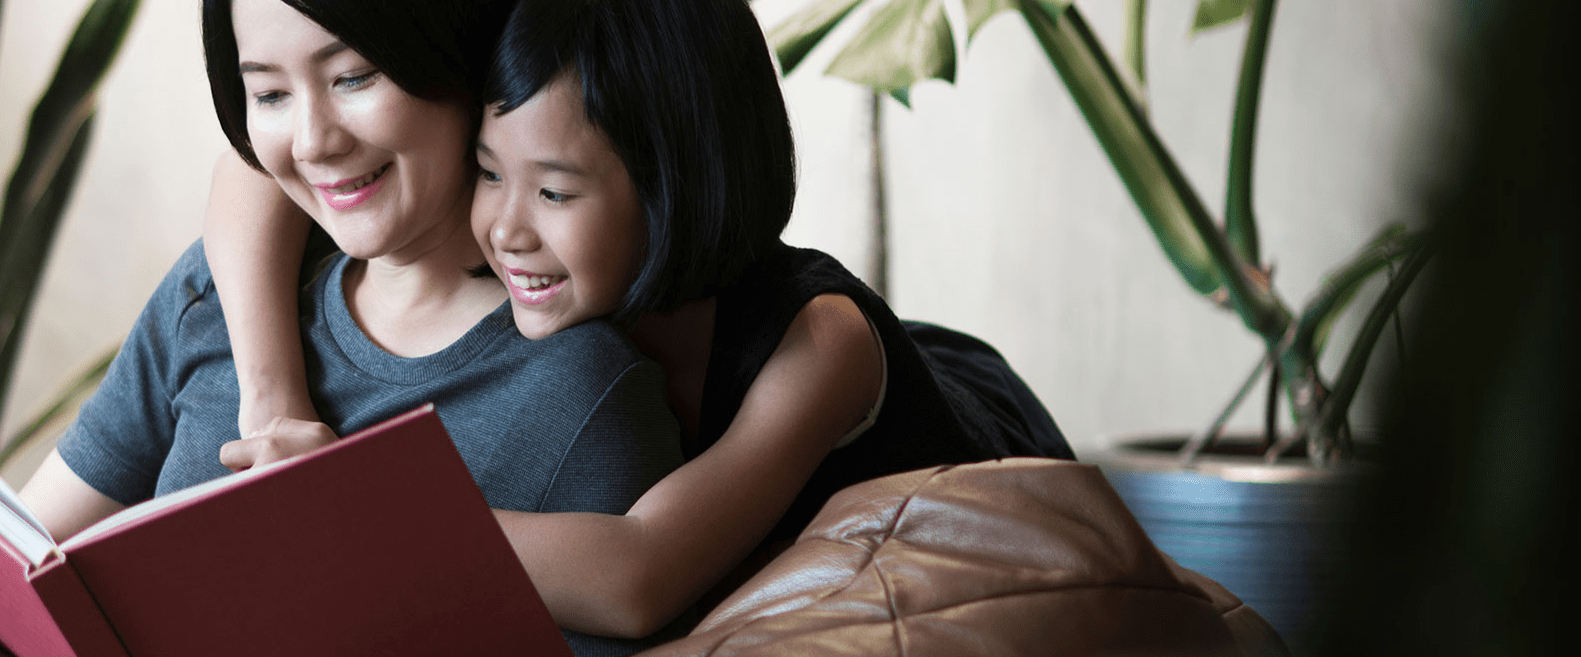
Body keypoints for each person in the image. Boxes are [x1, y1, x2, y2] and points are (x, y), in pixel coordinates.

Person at [197, 0, 1079, 643]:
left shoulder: (820, 343)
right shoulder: (547, 244)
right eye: (484, 171)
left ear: (670, 182)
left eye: (553, 190)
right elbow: (260, 169)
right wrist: (272, 404)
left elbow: (637, 574)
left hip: (979, 477)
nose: (504, 227)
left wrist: (350, 507)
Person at [20, 1, 686, 655]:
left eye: (354, 77)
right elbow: (25, 569)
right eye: (270, 93)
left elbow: (636, 580)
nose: (314, 141)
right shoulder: (218, 291)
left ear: (457, 55)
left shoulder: (579, 397)